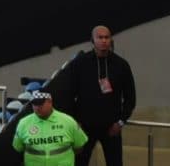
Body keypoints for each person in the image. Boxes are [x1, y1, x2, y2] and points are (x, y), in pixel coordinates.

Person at [58, 26, 136, 166]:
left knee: (115, 163)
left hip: (112, 127)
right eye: (100, 37)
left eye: (107, 37)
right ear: (92, 40)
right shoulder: (80, 63)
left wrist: (120, 122)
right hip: (84, 127)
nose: (104, 41)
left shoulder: (121, 65)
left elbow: (130, 98)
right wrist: (76, 121)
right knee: (80, 162)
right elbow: (69, 95)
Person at [12, 89, 88, 166]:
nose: (37, 107)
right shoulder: (23, 123)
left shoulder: (68, 121)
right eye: (34, 104)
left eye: (40, 104)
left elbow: (79, 146)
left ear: (50, 102)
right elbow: (18, 148)